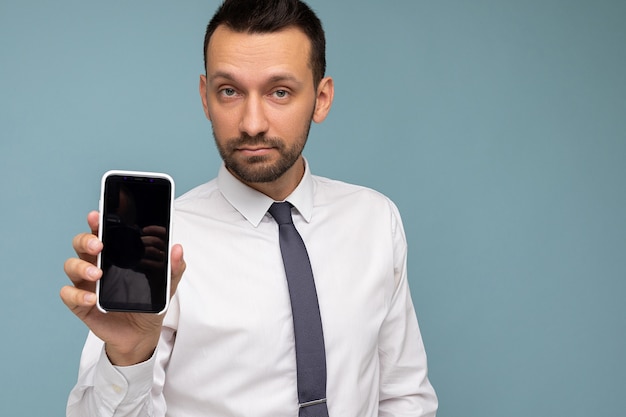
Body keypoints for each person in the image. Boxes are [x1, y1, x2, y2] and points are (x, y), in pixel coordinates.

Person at [61, 0, 438, 415]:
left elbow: (404, 396)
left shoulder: (374, 221)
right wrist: (129, 357)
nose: (252, 123)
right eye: (230, 91)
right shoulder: (169, 251)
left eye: (280, 92)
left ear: (322, 98)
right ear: (205, 97)